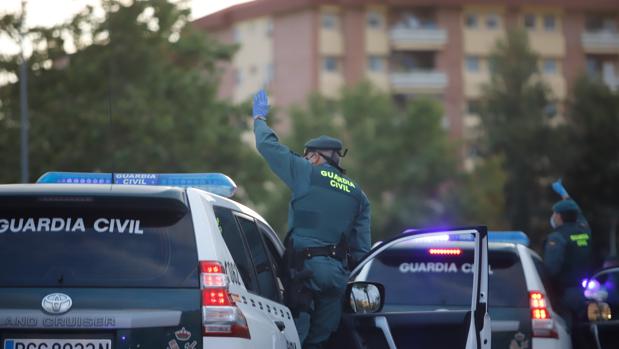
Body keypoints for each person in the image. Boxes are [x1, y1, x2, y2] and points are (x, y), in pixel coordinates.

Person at [251, 90, 371, 349]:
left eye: (307, 156)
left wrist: (259, 119)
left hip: (305, 271)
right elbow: (362, 251)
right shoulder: (358, 195)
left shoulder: (307, 172)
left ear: (316, 156)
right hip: (336, 279)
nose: (305, 159)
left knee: (297, 335)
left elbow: (268, 146)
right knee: (321, 340)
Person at [544, 180, 593, 346]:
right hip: (583, 292)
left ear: (559, 216)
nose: (553, 217)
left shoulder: (557, 238)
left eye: (554, 214)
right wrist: (565, 194)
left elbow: (551, 270)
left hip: (565, 296)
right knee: (583, 333)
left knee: (567, 335)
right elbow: (577, 212)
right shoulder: (584, 230)